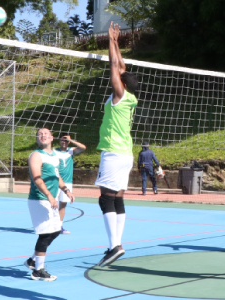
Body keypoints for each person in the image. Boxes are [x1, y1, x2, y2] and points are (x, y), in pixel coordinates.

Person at [95, 23, 140, 267]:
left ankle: (114, 246)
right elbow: (119, 66)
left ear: (121, 84)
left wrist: (112, 42)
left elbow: (115, 67)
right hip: (125, 154)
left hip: (113, 152)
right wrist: (115, 42)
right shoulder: (130, 97)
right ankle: (117, 244)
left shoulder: (119, 95)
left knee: (106, 199)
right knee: (118, 198)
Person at [23, 128, 74, 281]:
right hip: (39, 199)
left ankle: (32, 260)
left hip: (49, 199)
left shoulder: (54, 156)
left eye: (46, 133)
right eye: (40, 134)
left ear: (52, 138)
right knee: (45, 234)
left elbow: (57, 176)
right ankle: (38, 270)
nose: (43, 135)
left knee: (56, 231)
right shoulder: (36, 155)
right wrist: (50, 196)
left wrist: (65, 189)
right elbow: (37, 178)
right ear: (37, 139)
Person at [54, 133, 86, 235]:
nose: (64, 142)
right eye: (63, 140)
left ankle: (59, 227)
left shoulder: (71, 151)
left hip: (67, 182)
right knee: (52, 204)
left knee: (63, 205)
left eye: (66, 140)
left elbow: (83, 147)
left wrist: (71, 140)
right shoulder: (54, 151)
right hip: (55, 181)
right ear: (59, 140)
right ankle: (49, 226)